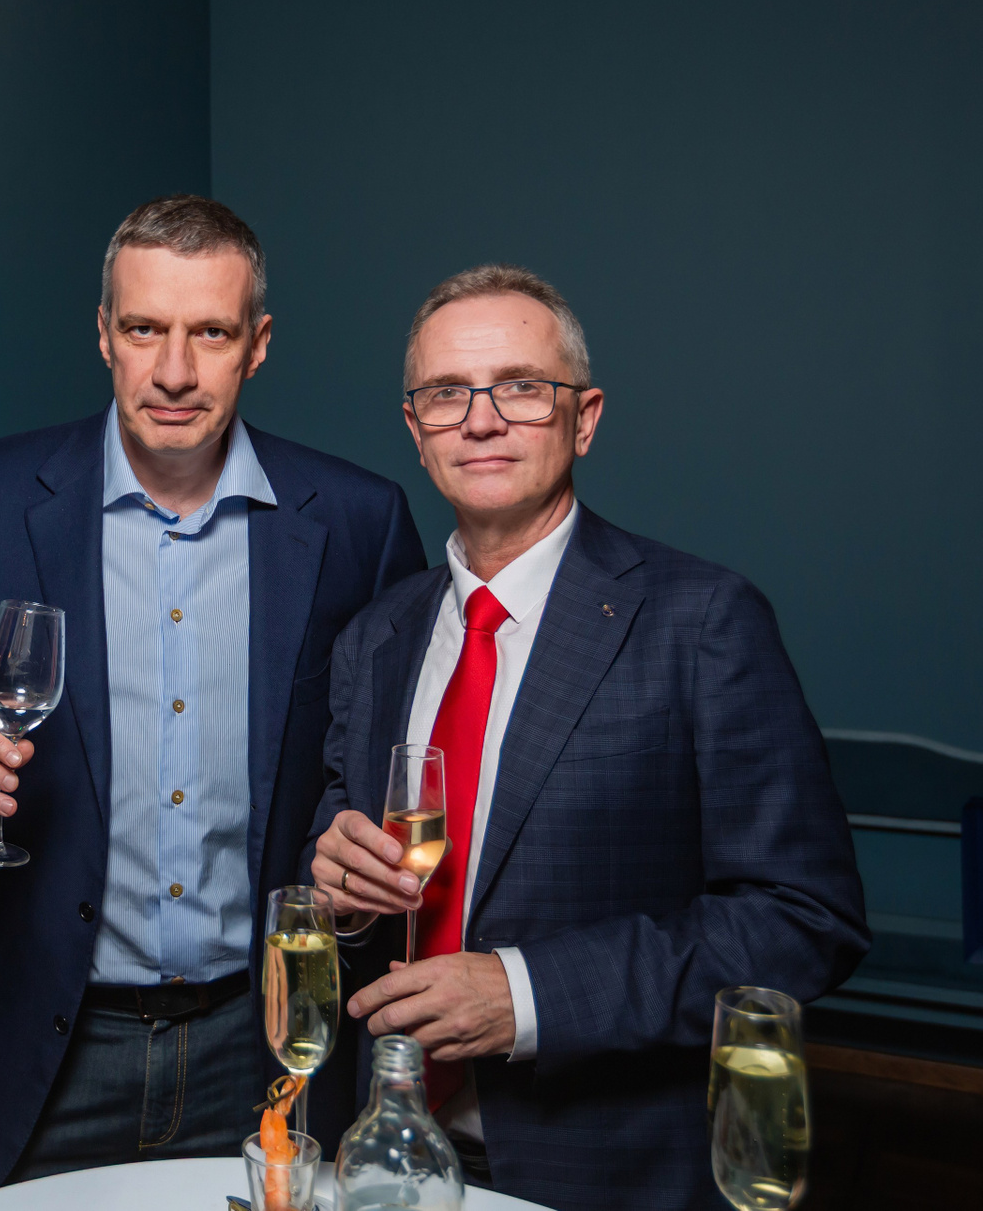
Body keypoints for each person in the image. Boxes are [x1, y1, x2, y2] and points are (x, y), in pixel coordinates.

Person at [0, 196, 427, 1200]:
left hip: (261, 1039)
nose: (173, 371)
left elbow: (382, 766)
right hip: (46, 1037)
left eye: (209, 332)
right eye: (143, 329)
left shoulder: (359, 522)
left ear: (257, 344)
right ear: (103, 333)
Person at [309, 266, 868, 1211]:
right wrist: (339, 892)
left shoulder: (703, 621)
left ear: (585, 419)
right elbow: (339, 848)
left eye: (521, 387)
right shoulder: (375, 638)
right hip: (387, 1154)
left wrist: (526, 996)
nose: (481, 421)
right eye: (447, 393)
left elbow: (803, 920)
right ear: (416, 429)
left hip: (605, 1174)